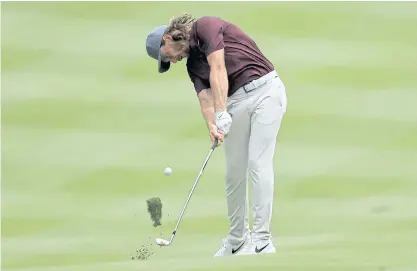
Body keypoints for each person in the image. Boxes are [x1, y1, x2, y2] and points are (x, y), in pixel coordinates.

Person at [145, 14, 287, 257]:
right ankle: (237, 240)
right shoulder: (192, 66)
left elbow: (218, 67)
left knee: (257, 164)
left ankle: (262, 241)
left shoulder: (205, 26)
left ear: (168, 38)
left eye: (167, 55)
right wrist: (213, 124)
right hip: (236, 102)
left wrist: (222, 112)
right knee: (234, 173)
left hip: (266, 91)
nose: (173, 60)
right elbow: (205, 98)